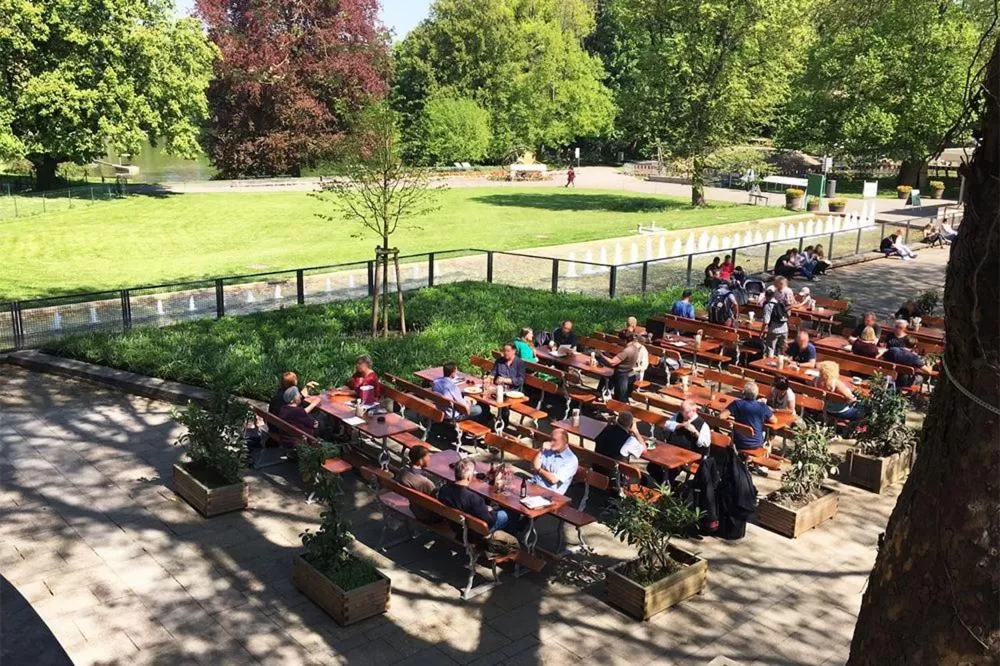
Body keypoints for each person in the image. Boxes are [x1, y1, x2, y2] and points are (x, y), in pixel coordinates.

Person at [438, 457, 509, 536]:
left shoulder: (443, 489)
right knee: (506, 514)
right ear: (469, 477)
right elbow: (490, 521)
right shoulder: (474, 499)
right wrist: (490, 510)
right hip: (473, 533)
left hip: (455, 525)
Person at [719, 382, 777, 454]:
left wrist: (733, 423)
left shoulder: (737, 403)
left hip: (738, 442)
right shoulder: (762, 406)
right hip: (756, 444)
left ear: (743, 393)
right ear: (757, 394)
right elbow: (774, 420)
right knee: (765, 432)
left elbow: (721, 416)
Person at [396, 445, 440, 522]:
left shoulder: (403, 473)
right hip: (431, 516)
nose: (430, 458)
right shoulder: (426, 482)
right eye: (428, 456)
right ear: (420, 460)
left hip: (415, 510)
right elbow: (438, 500)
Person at [531, 429, 579, 495]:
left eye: (555, 440)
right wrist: (541, 451)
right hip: (533, 484)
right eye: (551, 439)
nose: (551, 443)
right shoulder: (548, 449)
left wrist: (539, 470)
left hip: (550, 494)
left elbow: (553, 480)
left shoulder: (571, 460)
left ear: (564, 442)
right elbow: (533, 466)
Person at [599, 332, 644, 401]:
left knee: (620, 398)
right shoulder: (634, 349)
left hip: (621, 375)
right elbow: (621, 360)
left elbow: (613, 363)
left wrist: (600, 355)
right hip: (627, 373)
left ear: (624, 340)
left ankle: (601, 397)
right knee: (605, 378)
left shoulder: (627, 350)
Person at [761, 287, 789, 357]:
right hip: (785, 329)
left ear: (766, 296)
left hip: (774, 330)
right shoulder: (779, 303)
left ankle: (768, 365)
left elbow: (766, 321)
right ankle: (783, 363)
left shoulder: (768, 306)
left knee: (770, 348)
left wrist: (761, 332)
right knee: (783, 349)